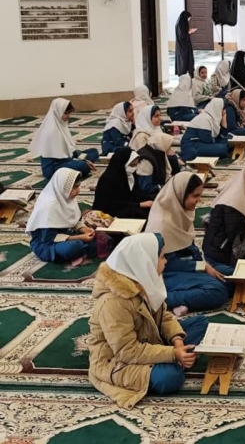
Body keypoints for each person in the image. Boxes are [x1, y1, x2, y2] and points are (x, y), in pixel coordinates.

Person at [87, 233, 209, 409]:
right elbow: (127, 351)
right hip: (117, 361)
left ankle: (177, 359)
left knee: (201, 323)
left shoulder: (143, 280)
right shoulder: (113, 302)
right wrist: (173, 354)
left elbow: (164, 315)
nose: (166, 261)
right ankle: (176, 362)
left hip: (149, 339)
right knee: (170, 378)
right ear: (144, 261)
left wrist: (177, 341)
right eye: (161, 257)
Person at [146, 173, 229, 315]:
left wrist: (204, 266)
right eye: (195, 196)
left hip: (188, 265)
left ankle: (188, 297)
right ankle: (161, 299)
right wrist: (202, 267)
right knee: (217, 291)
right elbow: (168, 264)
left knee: (231, 277)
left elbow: (189, 247)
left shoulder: (181, 212)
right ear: (181, 194)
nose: (199, 200)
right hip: (168, 273)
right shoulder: (162, 224)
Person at [26, 168, 97, 265]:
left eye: (78, 186)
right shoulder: (49, 206)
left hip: (68, 234)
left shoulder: (66, 197)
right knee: (73, 247)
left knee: (102, 238)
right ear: (64, 187)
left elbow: (73, 221)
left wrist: (84, 229)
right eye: (75, 187)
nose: (78, 191)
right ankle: (81, 252)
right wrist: (80, 237)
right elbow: (50, 239)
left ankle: (80, 253)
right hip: (47, 244)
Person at [30, 98, 98, 179]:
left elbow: (69, 149)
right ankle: (82, 166)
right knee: (82, 166)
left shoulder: (61, 124)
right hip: (54, 167)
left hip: (68, 159)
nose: (68, 116)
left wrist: (83, 159)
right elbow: (60, 158)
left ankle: (82, 165)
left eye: (69, 113)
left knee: (93, 152)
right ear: (57, 112)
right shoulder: (51, 131)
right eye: (65, 113)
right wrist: (81, 161)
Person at [92, 148, 153, 220]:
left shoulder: (130, 175)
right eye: (132, 165)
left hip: (127, 206)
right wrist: (139, 205)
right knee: (139, 213)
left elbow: (136, 195)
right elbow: (112, 205)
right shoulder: (109, 179)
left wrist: (151, 200)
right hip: (109, 211)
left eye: (136, 165)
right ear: (123, 163)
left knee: (151, 208)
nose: (134, 168)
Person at [174, 11, 196, 77]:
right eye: (188, 18)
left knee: (186, 59)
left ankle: (187, 72)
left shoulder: (180, 23)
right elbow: (182, 35)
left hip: (184, 46)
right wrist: (189, 32)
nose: (189, 20)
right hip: (183, 47)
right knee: (184, 60)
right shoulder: (180, 25)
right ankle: (183, 73)